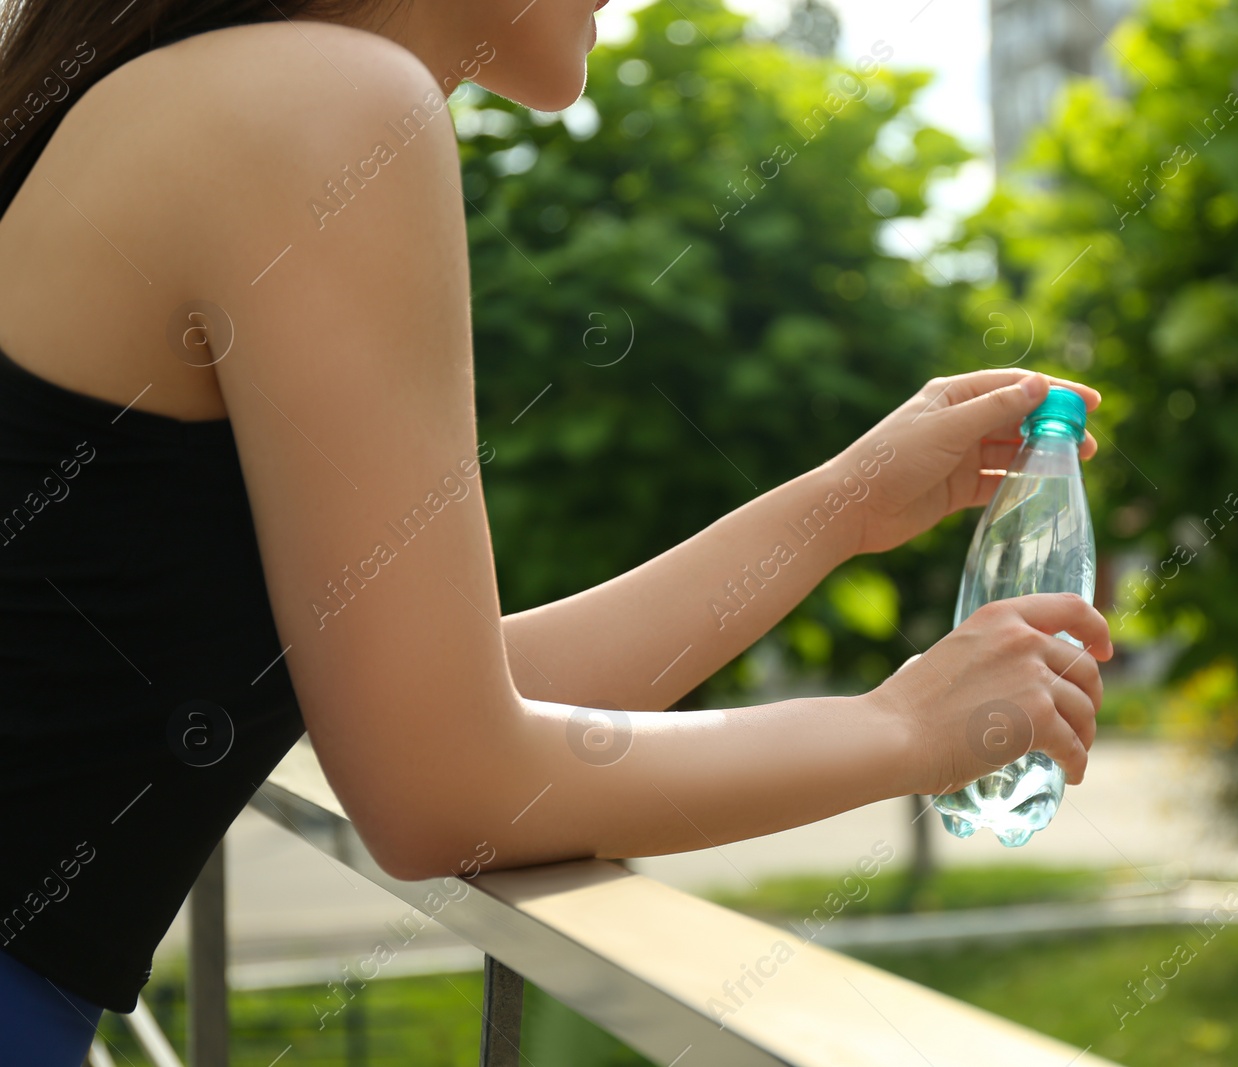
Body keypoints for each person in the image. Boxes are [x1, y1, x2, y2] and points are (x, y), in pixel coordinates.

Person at [0, 0, 1112, 1059]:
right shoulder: (325, 103)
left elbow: (425, 700)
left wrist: (840, 507)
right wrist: (906, 729)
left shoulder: (221, 88)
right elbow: (446, 787)